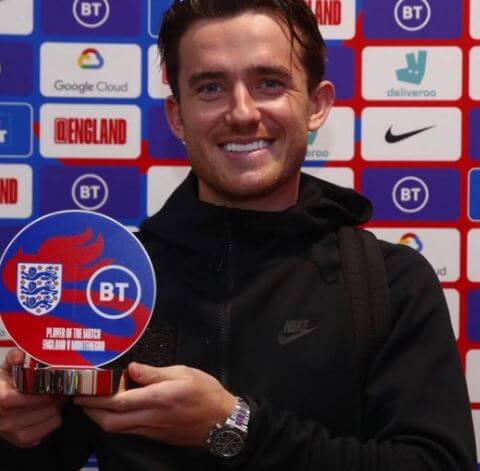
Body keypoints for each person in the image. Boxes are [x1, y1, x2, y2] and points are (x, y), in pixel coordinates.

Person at [0, 0, 477, 469]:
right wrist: (16, 431)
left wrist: (235, 427)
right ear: (177, 117)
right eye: (211, 87)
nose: (243, 112)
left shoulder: (390, 283)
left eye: (269, 83)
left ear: (316, 105)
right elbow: (42, 450)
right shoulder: (113, 279)